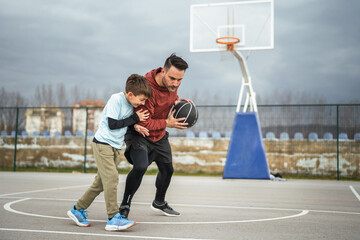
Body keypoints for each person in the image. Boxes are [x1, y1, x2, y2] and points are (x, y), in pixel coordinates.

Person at [67, 74, 153, 231]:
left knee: (100, 183)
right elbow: (113, 123)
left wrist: (135, 126)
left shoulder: (130, 105)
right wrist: (135, 119)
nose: (143, 103)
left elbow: (123, 122)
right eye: (141, 100)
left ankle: (77, 209)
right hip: (103, 144)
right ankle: (113, 218)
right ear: (130, 94)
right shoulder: (116, 99)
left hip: (115, 146)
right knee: (112, 179)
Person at [119, 53, 191, 219]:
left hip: (159, 135)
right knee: (140, 167)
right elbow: (144, 123)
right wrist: (168, 123)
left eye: (180, 80)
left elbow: (170, 96)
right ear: (163, 72)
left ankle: (159, 203)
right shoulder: (146, 88)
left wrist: (178, 102)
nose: (176, 83)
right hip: (139, 133)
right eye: (172, 78)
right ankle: (124, 206)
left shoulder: (173, 83)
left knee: (168, 170)